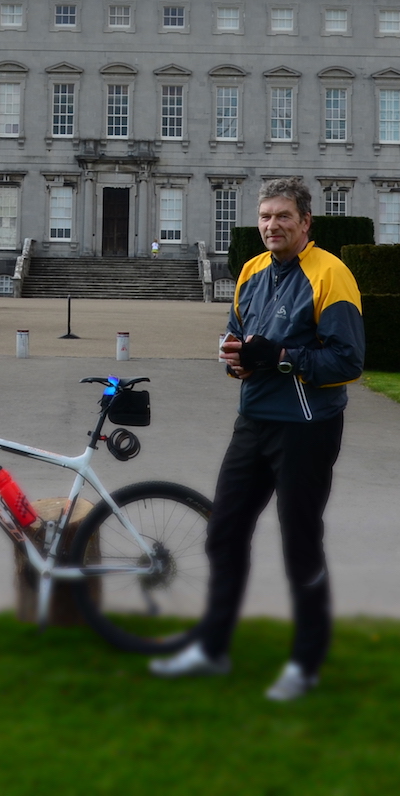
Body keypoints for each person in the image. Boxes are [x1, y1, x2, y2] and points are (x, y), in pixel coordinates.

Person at [151, 176, 364, 702]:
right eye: (265, 216)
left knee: (299, 544)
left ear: (305, 223)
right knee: (223, 534)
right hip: (254, 422)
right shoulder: (251, 270)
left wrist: (282, 358)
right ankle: (212, 649)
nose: (272, 225)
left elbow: (348, 361)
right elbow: (238, 338)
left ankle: (306, 663)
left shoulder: (331, 274)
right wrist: (234, 359)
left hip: (307, 427)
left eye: (283, 217)